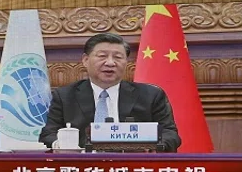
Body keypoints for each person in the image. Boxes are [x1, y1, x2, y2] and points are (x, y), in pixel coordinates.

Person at [38, 32, 181, 151]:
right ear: (85, 60)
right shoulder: (65, 96)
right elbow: (48, 134)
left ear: (126, 62)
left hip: (133, 168)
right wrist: (63, 145)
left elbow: (171, 134)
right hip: (84, 170)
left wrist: (153, 147)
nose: (110, 63)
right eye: (102, 56)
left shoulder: (151, 95)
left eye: (118, 57)